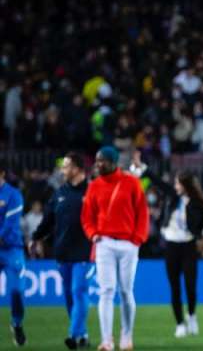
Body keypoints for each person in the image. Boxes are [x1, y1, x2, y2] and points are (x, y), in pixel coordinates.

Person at [81, 146, 150, 351]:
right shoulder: (94, 186)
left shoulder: (131, 183)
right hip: (104, 243)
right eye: (97, 160)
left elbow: (142, 213)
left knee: (126, 292)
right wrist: (93, 235)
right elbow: (87, 216)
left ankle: (126, 336)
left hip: (129, 243)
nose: (98, 164)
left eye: (102, 161)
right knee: (106, 291)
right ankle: (106, 341)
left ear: (114, 162)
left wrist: (137, 238)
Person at [150, 169, 203, 338]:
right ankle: (180, 323)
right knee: (174, 287)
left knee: (190, 286)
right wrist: (144, 170)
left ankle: (192, 316)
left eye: (177, 183)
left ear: (185, 185)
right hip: (171, 246)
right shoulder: (173, 197)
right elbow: (159, 183)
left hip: (189, 246)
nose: (175, 186)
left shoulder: (197, 202)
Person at [31, 153, 91, 349]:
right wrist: (36, 238)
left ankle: (73, 335)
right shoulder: (59, 193)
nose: (62, 170)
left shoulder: (92, 191)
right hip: (62, 252)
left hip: (85, 251)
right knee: (69, 295)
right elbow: (48, 221)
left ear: (77, 169)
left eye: (66, 166)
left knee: (78, 291)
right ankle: (82, 334)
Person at [0, 161, 27, 347]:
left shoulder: (13, 195)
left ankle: (17, 323)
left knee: (16, 291)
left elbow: (9, 226)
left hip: (11, 249)